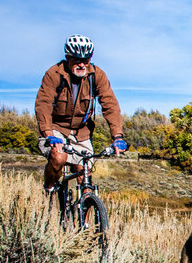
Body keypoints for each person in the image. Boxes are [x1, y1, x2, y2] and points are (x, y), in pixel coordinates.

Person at [34, 35, 128, 192]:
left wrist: (117, 136)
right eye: (77, 60)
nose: (81, 64)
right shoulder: (54, 74)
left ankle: (86, 213)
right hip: (56, 128)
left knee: (85, 177)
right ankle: (49, 188)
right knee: (59, 157)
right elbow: (43, 104)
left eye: (86, 60)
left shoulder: (96, 75)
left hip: (82, 132)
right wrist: (48, 133)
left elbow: (110, 105)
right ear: (68, 58)